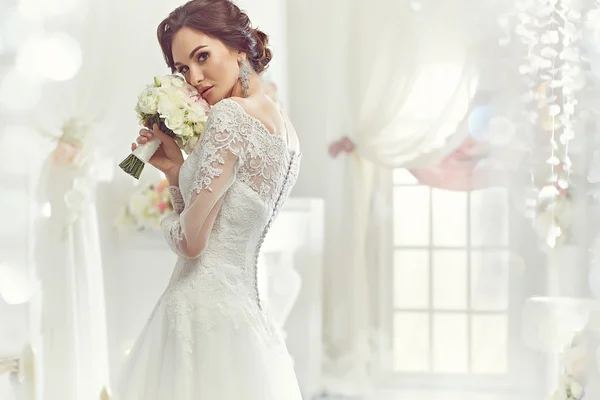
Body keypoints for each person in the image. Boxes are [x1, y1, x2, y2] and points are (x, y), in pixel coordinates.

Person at [116, 0, 302, 398]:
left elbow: (192, 244)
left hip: (199, 312)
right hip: (245, 317)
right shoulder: (285, 128)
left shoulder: (230, 115)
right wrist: (173, 170)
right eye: (183, 68)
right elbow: (221, 224)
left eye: (203, 57)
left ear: (239, 47)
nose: (195, 77)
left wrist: (165, 225)